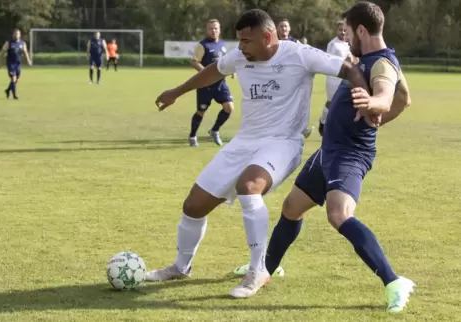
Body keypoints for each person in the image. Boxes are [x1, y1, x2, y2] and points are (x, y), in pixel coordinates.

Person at [146, 8, 369, 299]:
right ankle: (180, 266)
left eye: (246, 41)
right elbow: (215, 71)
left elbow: (349, 69)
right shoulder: (241, 56)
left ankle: (258, 269)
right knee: (193, 206)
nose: (240, 47)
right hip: (244, 141)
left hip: (284, 142)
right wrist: (177, 91)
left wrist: (367, 100)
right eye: (239, 40)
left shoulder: (300, 55)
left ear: (268, 36)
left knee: (249, 187)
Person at [234, 1, 415, 312]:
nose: (345, 38)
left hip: (349, 153)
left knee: (339, 214)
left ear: (360, 30)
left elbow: (388, 95)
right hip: (329, 150)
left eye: (348, 32)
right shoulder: (368, 58)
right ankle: (267, 266)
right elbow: (405, 98)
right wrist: (379, 113)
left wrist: (374, 104)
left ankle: (393, 280)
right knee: (292, 207)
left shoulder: (381, 63)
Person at [188, 19, 234, 147]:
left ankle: (215, 130)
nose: (213, 31)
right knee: (201, 111)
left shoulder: (223, 45)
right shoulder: (203, 45)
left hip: (220, 84)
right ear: (207, 30)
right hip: (205, 85)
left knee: (229, 108)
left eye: (215, 28)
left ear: (219, 30)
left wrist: (231, 71)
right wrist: (206, 74)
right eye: (210, 29)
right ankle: (192, 136)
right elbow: (194, 61)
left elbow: (225, 62)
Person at [277, 18, 314, 138]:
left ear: (289, 28)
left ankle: (300, 129)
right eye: (281, 26)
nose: (284, 29)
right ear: (277, 28)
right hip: (277, 79)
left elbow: (307, 51)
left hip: (292, 79)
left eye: (286, 26)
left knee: (297, 104)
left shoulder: (295, 42)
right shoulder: (274, 42)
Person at [319, 20, 352, 136]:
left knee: (343, 103)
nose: (343, 32)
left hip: (346, 79)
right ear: (336, 30)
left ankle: (338, 127)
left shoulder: (349, 43)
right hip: (334, 79)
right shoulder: (332, 44)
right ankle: (323, 122)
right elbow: (328, 60)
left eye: (344, 30)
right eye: (340, 30)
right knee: (331, 102)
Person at [0, 29, 32, 100]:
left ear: (20, 35)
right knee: (13, 78)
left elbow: (25, 53)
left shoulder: (22, 43)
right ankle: (14, 95)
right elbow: (2, 53)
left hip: (18, 64)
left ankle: (7, 90)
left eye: (17, 34)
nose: (16, 35)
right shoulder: (8, 43)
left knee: (16, 80)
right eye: (15, 34)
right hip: (10, 63)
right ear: (13, 35)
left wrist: (28, 60)